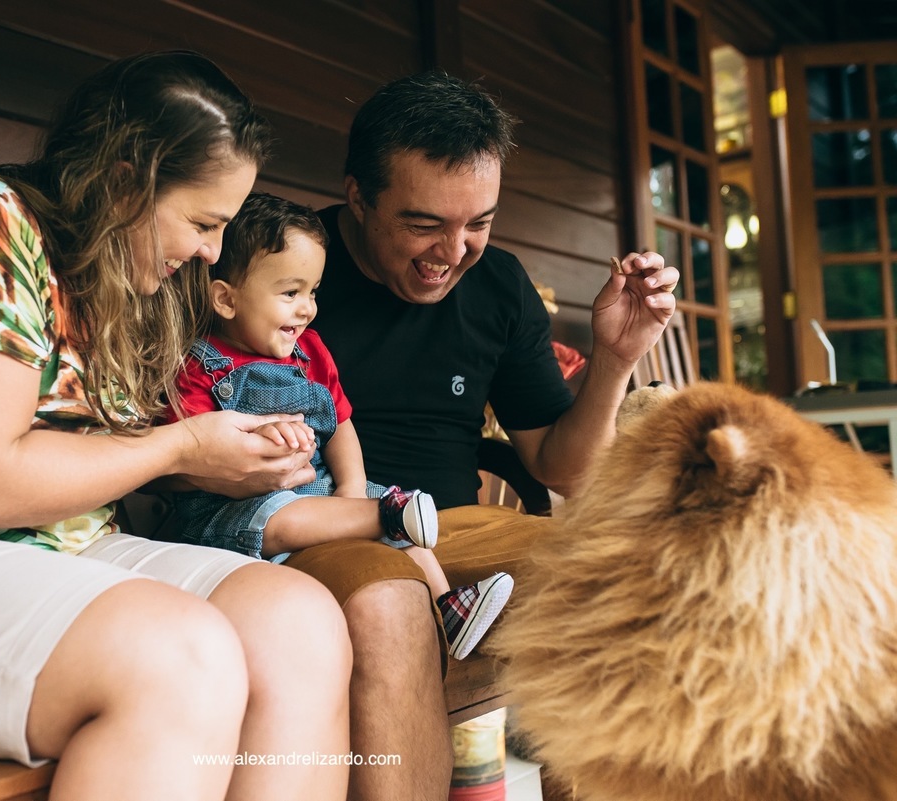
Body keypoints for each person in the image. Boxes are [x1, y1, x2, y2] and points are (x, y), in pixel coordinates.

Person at [0, 51, 352, 801]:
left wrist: (217, 463)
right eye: (203, 222)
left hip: (70, 551)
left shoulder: (121, 278)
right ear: (127, 181)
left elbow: (103, 464)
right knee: (179, 653)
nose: (211, 253)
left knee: (299, 622)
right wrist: (179, 445)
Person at [285, 71, 679, 800]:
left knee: (624, 569)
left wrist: (617, 359)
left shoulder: (497, 284)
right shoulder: (289, 270)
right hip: (327, 525)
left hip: (458, 528)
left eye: (479, 223)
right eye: (424, 223)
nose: (454, 251)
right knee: (390, 601)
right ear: (358, 197)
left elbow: (560, 467)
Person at [168, 191, 515, 660]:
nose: (307, 308)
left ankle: (447, 605)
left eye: (312, 292)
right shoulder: (199, 364)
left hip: (324, 495)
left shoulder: (310, 351)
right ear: (226, 299)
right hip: (229, 514)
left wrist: (351, 488)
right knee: (290, 514)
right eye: (290, 293)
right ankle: (382, 514)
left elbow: (341, 423)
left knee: (392, 519)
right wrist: (258, 442)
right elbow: (189, 456)